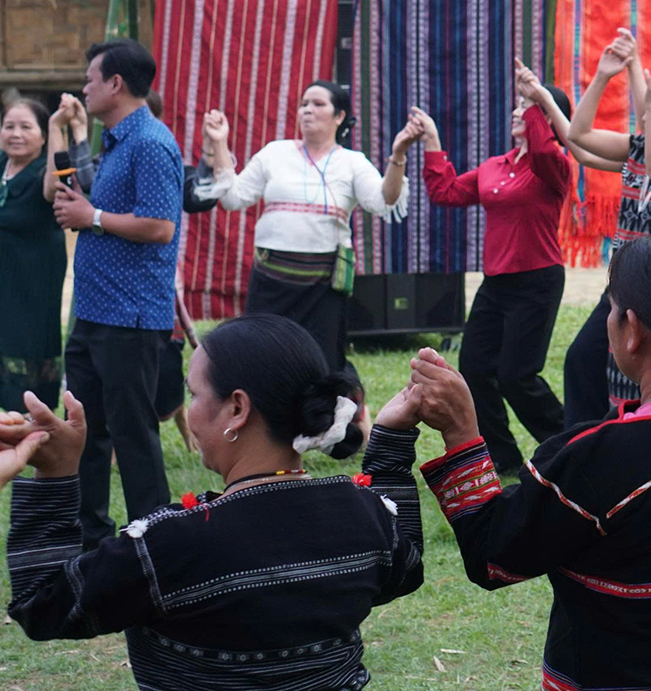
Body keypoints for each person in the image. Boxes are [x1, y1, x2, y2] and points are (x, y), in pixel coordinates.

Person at [395, 230, 651, 691]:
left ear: (632, 329)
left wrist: (462, 433)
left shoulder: (592, 462)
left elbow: (494, 557)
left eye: (611, 308)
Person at [4, 313, 424, 689]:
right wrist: (392, 443)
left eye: (194, 394)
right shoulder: (365, 519)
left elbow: (42, 607)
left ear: (237, 408)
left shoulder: (168, 546)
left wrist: (54, 476)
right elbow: (405, 566)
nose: (190, 409)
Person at [46, 39, 182, 551]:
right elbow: (88, 193)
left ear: (115, 85)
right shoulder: (116, 140)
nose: (84, 87)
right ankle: (93, 539)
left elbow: (160, 225)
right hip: (92, 312)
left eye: (90, 79)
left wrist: (92, 218)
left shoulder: (150, 142)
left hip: (130, 315)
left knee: (134, 434)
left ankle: (155, 542)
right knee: (87, 431)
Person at [407, 60, 572, 474]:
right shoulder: (496, 166)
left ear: (547, 117)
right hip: (496, 283)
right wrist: (432, 139)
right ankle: (504, 458)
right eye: (519, 106)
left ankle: (570, 443)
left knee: (518, 376)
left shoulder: (553, 165)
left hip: (537, 279)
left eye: (528, 107)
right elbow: (445, 192)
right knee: (476, 370)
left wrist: (538, 100)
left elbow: (544, 149)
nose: (519, 111)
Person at [198, 80, 409, 375]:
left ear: (339, 116)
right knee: (262, 360)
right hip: (271, 283)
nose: (307, 110)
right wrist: (219, 142)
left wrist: (397, 156)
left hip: (322, 288)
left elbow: (384, 200)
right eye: (303, 104)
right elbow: (233, 198)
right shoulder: (275, 153)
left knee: (320, 365)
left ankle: (336, 418)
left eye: (318, 104)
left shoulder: (352, 162)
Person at [561, 32, 651, 424]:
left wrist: (647, 95)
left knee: (639, 378)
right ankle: (586, 443)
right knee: (582, 360)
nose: (648, 113)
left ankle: (633, 439)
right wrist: (606, 75)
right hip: (623, 285)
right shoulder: (639, 148)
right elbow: (578, 136)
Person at [1, 97, 66, 413]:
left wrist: (58, 126)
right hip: (3, 283)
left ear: (43, 136)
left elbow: (56, 187)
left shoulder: (46, 170)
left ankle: (31, 421)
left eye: (26, 127)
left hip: (31, 289)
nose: (15, 134)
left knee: (26, 355)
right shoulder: (2, 164)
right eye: (8, 126)